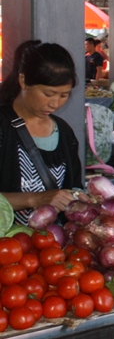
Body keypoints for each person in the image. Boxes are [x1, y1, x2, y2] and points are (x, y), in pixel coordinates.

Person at [0, 41, 84, 225]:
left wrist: (79, 198)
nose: (55, 104)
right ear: (23, 81)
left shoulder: (64, 132)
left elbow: (74, 185)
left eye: (63, 96)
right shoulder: (3, 127)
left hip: (51, 248)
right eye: (48, 94)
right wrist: (35, 199)